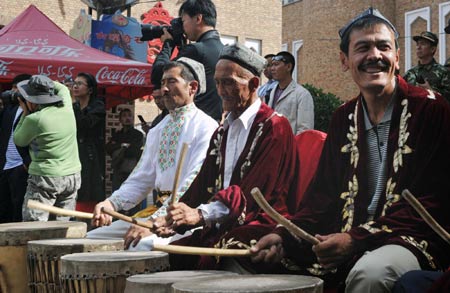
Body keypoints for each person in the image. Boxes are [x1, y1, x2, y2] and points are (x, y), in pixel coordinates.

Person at [251, 8, 450, 292]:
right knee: (256, 252)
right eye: (362, 48)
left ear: (397, 56)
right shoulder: (342, 117)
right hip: (345, 234)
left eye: (383, 46)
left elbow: (435, 201)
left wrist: (357, 239)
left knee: (371, 274)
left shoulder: (431, 108)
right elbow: (322, 196)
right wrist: (283, 234)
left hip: (411, 237)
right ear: (345, 60)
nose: (374, 55)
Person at [154, 43, 298, 272]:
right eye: (218, 83)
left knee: (222, 251)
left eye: (229, 82)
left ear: (253, 85)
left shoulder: (275, 127)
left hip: (263, 222)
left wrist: (201, 214)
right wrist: (173, 218)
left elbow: (255, 193)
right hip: (223, 223)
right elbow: (201, 185)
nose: (220, 90)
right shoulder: (223, 131)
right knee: (169, 255)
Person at [87, 57, 218, 251]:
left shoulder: (207, 127)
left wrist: (161, 219)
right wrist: (111, 204)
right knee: (90, 239)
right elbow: (141, 179)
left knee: (140, 245)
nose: (164, 88)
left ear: (193, 87)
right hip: (156, 213)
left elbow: (192, 182)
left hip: (184, 220)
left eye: (171, 81)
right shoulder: (158, 129)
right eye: (163, 82)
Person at [13, 75, 81, 221]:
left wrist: (25, 112)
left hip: (45, 177)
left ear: (32, 100)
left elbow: (18, 139)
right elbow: (62, 87)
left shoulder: (35, 119)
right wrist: (46, 85)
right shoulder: (66, 106)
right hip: (72, 176)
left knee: (34, 227)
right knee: (64, 227)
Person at [151, 0, 224, 121]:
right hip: (213, 124)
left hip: (192, 125)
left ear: (198, 19)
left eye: (183, 21)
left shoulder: (196, 50)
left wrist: (168, 44)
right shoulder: (224, 50)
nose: (182, 27)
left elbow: (157, 74)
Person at [0, 74, 31, 223]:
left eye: (17, 89)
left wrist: (26, 164)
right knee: (4, 206)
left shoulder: (34, 111)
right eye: (12, 88)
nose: (13, 93)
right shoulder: (9, 110)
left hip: (21, 166)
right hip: (6, 165)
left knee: (18, 207)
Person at [72, 72, 106, 207]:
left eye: (79, 84)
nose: (75, 86)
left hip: (91, 159)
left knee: (88, 196)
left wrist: (72, 103)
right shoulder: (72, 107)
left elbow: (84, 125)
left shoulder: (98, 107)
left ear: (90, 90)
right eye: (74, 83)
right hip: (73, 156)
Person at [268, 51, 314, 134]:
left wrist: (294, 146)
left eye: (276, 64)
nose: (272, 68)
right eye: (272, 65)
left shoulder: (302, 94)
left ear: (288, 67)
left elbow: (305, 129)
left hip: (290, 146)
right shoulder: (272, 92)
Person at [403, 31, 450, 102]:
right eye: (417, 44)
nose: (418, 47)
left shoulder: (444, 72)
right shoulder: (409, 73)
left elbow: (447, 101)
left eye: (423, 44)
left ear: (432, 49)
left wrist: (430, 91)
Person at [106, 108, 144, 192]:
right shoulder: (117, 134)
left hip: (131, 171)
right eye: (124, 116)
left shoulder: (138, 135)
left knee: (131, 197)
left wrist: (119, 148)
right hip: (118, 171)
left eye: (130, 116)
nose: (127, 118)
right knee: (116, 196)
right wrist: (122, 145)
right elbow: (108, 148)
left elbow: (134, 152)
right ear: (120, 119)